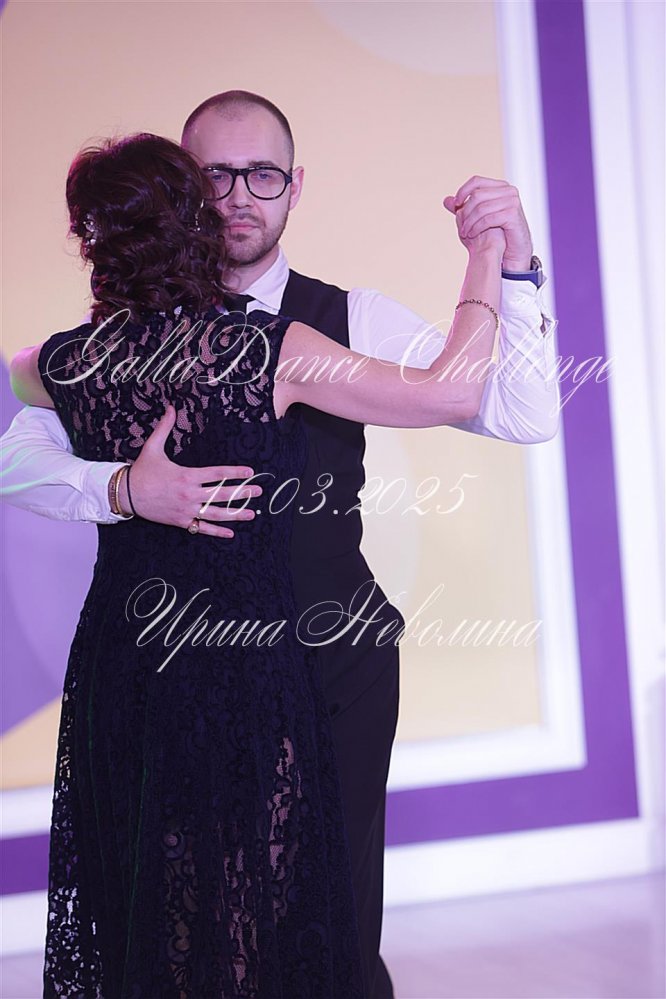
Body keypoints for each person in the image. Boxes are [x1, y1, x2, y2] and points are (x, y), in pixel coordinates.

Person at [2, 92, 560, 998]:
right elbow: (17, 458)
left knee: (326, 928)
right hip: (170, 668)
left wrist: (519, 271)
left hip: (331, 659)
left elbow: (518, 412)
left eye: (261, 175)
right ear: (185, 193)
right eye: (214, 176)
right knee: (181, 925)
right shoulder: (111, 344)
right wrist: (122, 488)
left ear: (295, 186)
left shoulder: (343, 316)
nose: (237, 196)